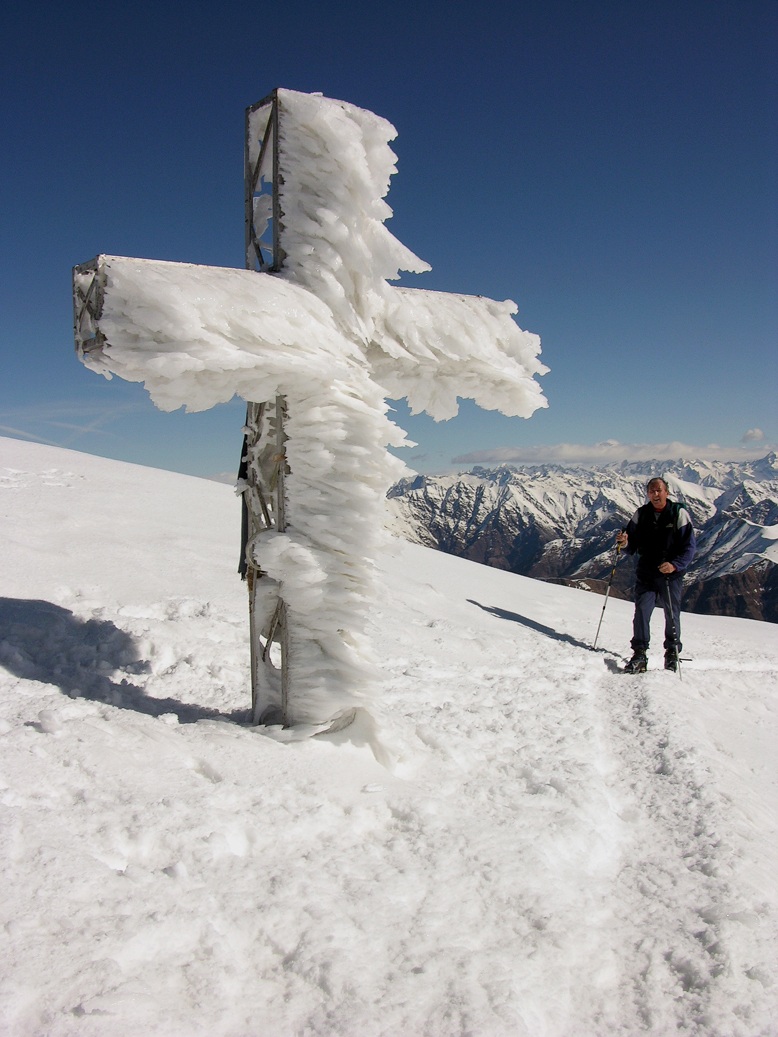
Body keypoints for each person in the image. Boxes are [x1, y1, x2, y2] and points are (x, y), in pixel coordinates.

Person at [615, 477, 696, 673]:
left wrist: (675, 565)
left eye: (659, 490)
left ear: (667, 492)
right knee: (642, 610)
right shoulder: (641, 514)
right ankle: (640, 653)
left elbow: (689, 547)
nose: (655, 494)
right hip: (647, 571)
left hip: (670, 574)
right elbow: (630, 545)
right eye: (651, 491)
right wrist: (624, 543)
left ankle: (672, 653)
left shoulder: (678, 513)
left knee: (671, 612)